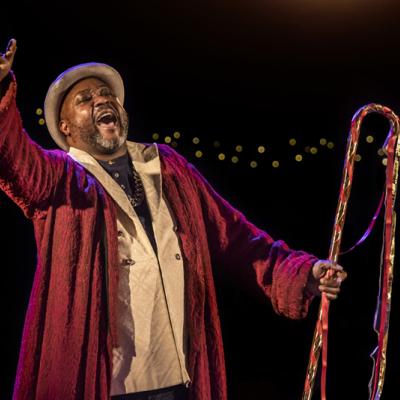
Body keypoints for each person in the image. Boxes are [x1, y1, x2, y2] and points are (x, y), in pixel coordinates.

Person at [0, 38, 346, 400]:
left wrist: (304, 272)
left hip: (178, 381)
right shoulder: (60, 176)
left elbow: (236, 237)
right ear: (65, 126)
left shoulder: (167, 166)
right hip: (104, 384)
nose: (101, 100)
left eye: (106, 94)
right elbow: (13, 158)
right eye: (84, 100)